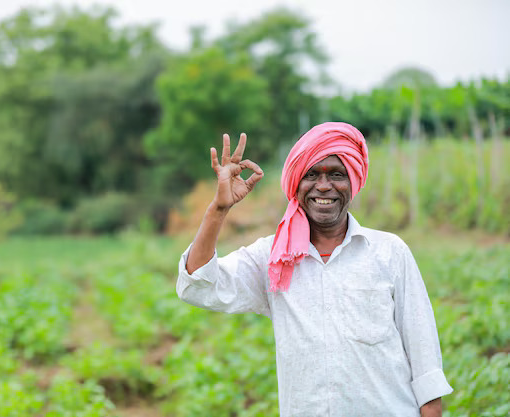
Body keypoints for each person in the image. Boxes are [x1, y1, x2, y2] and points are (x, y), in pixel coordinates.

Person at [176, 122, 453, 417]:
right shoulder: (272, 257)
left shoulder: (389, 252)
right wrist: (219, 209)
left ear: (354, 183)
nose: (323, 186)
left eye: (336, 174)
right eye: (311, 174)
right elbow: (198, 285)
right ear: (296, 184)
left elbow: (424, 353)